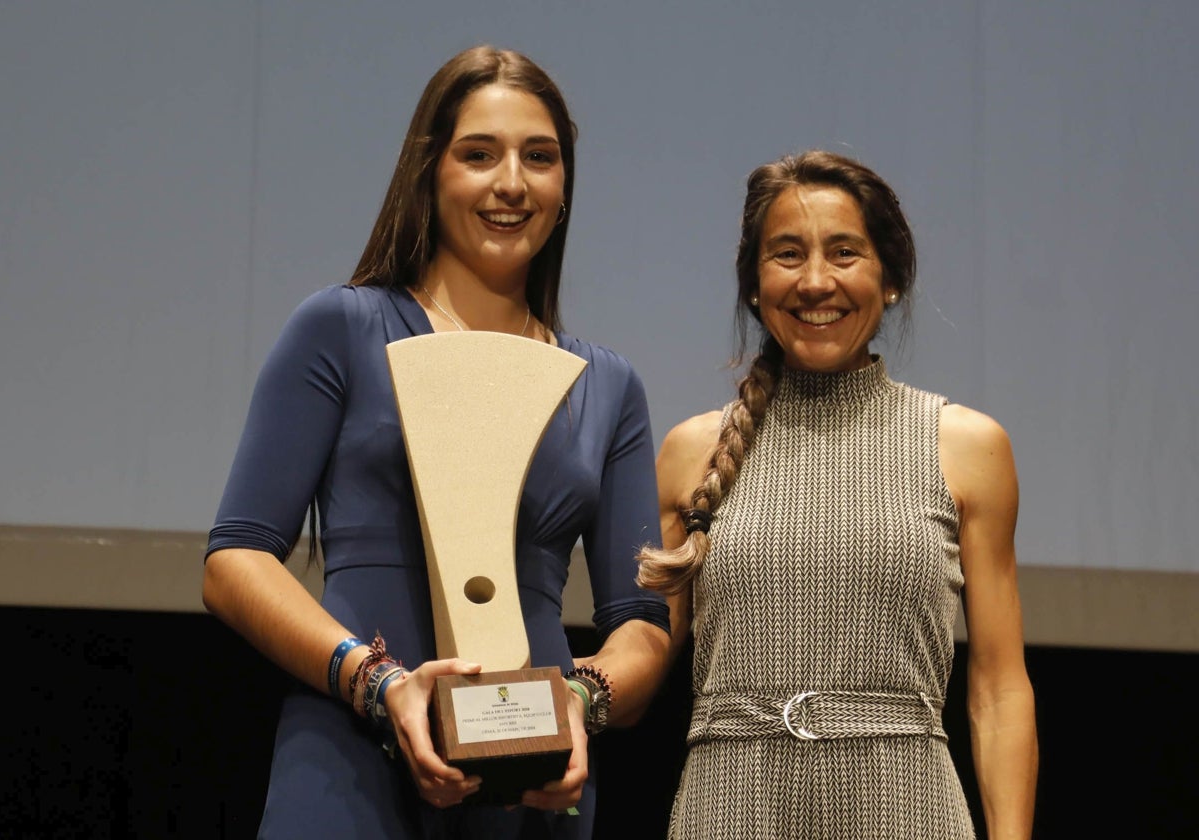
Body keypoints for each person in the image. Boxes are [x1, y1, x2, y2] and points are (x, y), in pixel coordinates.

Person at [202, 45, 671, 840]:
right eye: (479, 154)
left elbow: (643, 625)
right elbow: (234, 561)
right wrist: (378, 684)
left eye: (541, 158)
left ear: (564, 188)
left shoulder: (607, 384)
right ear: (431, 173)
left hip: (535, 780)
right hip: (350, 761)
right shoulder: (342, 329)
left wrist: (578, 702)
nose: (512, 183)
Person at [638, 150, 1038, 839]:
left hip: (906, 808)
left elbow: (999, 691)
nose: (816, 281)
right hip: (729, 810)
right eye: (787, 254)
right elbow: (638, 658)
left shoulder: (966, 447)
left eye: (845, 253)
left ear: (890, 280)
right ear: (755, 285)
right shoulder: (690, 453)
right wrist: (539, 694)